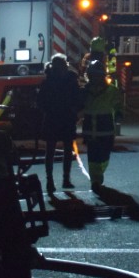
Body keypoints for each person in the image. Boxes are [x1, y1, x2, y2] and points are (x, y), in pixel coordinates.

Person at [37, 54, 83, 194]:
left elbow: (40, 102)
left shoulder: (47, 81)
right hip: (67, 118)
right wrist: (75, 110)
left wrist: (47, 111)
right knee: (67, 149)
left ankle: (50, 181)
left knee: (50, 150)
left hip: (52, 118)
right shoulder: (71, 80)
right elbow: (78, 98)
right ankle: (65, 179)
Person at [81, 59, 122, 190]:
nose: (94, 78)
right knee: (93, 157)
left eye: (97, 75)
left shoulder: (112, 91)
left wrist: (119, 114)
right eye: (92, 75)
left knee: (104, 156)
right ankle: (96, 181)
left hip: (106, 129)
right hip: (90, 129)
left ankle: (98, 175)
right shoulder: (84, 91)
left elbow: (119, 105)